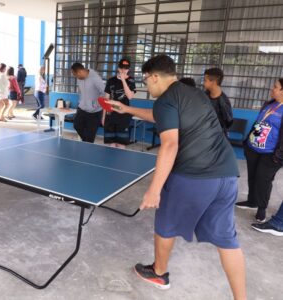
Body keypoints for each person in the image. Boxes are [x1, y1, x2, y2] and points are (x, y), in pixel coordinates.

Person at [107, 55, 246, 299]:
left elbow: (170, 145)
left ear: (155, 77)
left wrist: (154, 189)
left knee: (165, 225)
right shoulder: (194, 94)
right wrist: (127, 108)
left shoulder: (166, 100)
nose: (147, 86)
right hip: (227, 175)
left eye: (146, 81)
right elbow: (162, 116)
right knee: (227, 240)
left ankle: (159, 272)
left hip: (194, 175)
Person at [236, 78, 283, 222]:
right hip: (253, 148)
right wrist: (247, 142)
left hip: (270, 153)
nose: (272, 89)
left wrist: (278, 155)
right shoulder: (269, 104)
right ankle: (252, 201)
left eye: (275, 87)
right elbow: (259, 123)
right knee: (252, 176)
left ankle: (261, 208)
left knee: (263, 180)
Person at [102, 58, 136, 149]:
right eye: (122, 68)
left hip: (123, 117)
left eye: (126, 68)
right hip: (110, 116)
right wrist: (104, 116)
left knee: (121, 144)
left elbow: (130, 96)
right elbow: (106, 99)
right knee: (111, 144)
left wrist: (123, 80)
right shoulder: (111, 80)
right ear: (118, 68)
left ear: (128, 69)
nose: (123, 70)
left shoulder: (131, 81)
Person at [71, 62, 105, 143]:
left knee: (90, 138)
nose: (76, 78)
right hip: (82, 109)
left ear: (80, 72)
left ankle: (87, 145)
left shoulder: (95, 78)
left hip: (95, 112)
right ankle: (86, 142)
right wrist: (81, 102)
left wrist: (95, 104)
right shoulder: (80, 78)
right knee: (77, 125)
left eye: (76, 75)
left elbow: (104, 93)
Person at [203, 68, 233, 135]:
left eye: (205, 80)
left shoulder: (224, 102)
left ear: (213, 82)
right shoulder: (203, 96)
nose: (203, 82)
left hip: (218, 138)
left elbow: (228, 123)